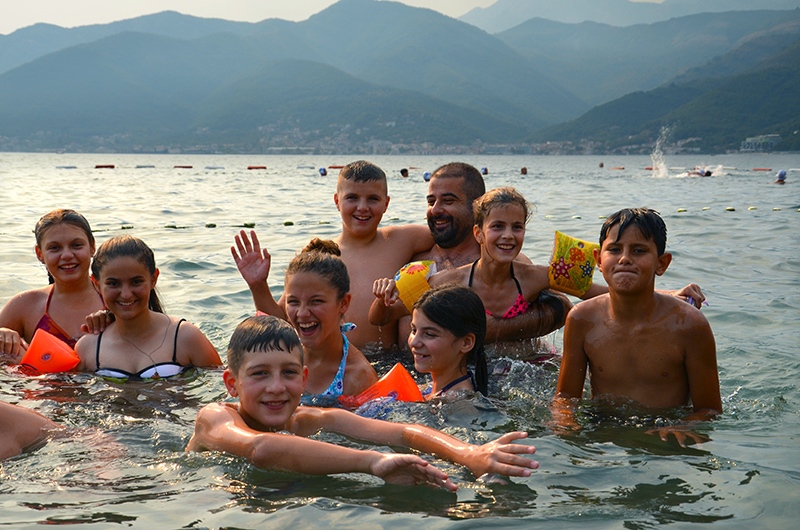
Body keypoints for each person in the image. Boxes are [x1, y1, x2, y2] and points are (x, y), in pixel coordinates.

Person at [186, 315, 538, 490]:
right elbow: (262, 449)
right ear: (232, 384)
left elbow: (405, 433)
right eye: (260, 374)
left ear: (304, 380)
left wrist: (469, 454)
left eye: (289, 373)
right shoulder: (214, 417)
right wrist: (372, 463)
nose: (277, 388)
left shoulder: (308, 418)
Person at [552, 208, 722, 446]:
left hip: (664, 432)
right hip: (602, 428)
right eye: (614, 249)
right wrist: (566, 422)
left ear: (661, 264)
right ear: (599, 260)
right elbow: (566, 398)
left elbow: (710, 409)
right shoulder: (581, 319)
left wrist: (684, 426)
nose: (624, 258)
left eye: (639, 250)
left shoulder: (690, 325)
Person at [372, 187, 608, 341]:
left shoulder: (536, 277)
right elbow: (379, 318)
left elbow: (602, 295)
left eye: (517, 227)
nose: (508, 235)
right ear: (479, 234)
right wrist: (383, 299)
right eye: (497, 227)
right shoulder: (450, 282)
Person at [401, 162, 572, 343]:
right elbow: (382, 315)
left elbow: (562, 308)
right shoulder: (411, 256)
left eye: (448, 201)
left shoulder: (512, 262)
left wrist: (491, 329)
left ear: (477, 207)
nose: (435, 209)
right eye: (430, 202)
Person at [232, 235, 377, 397]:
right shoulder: (280, 357)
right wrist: (257, 286)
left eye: (316, 301)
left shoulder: (357, 378)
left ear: (343, 304)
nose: (302, 313)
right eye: (293, 302)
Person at [75, 235, 221, 379]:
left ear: (153, 279)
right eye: (113, 283)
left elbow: (228, 388)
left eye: (136, 282)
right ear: (96, 284)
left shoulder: (185, 336)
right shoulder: (88, 348)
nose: (126, 294)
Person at [1, 209, 105, 360]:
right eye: (54, 248)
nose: (67, 255)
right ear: (39, 254)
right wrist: (3, 335)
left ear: (92, 247)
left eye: (76, 245)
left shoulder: (116, 299)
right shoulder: (25, 306)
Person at [409, 285, 488, 398]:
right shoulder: (431, 388)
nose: (414, 342)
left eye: (430, 334)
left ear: (466, 342)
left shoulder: (460, 404)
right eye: (414, 330)